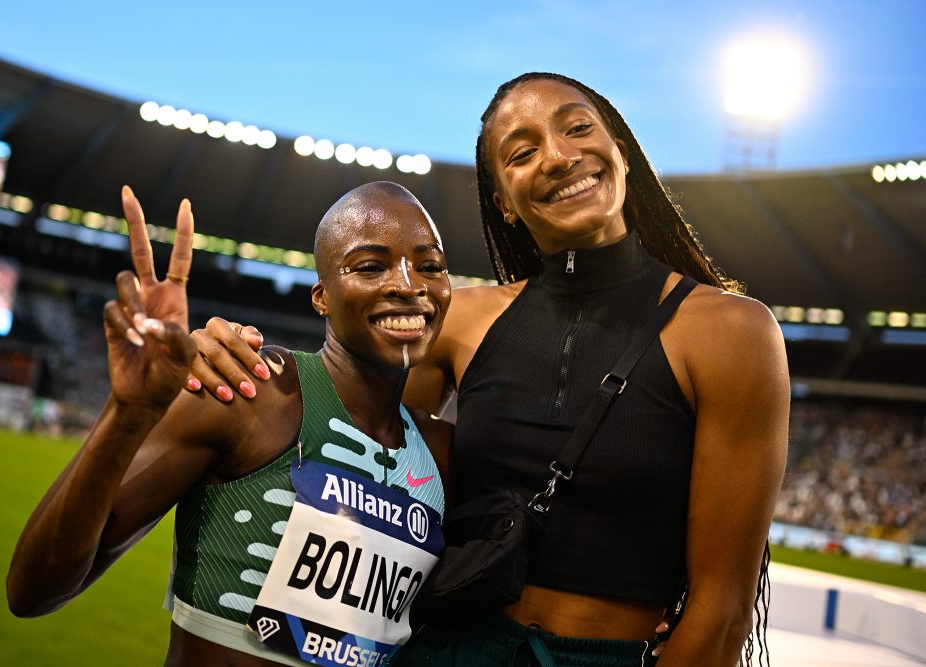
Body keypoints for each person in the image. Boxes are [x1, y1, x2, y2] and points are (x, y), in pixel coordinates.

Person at [186, 72, 790, 667]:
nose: (557, 157)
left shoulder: (731, 333)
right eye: (523, 153)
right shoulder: (457, 321)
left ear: (622, 153)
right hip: (441, 647)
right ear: (503, 201)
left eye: (578, 128)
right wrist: (237, 356)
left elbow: (723, 609)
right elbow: (350, 428)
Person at [7, 181, 454, 666]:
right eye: (370, 266)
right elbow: (33, 591)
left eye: (430, 267)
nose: (409, 286)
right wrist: (127, 415)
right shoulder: (248, 393)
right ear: (321, 296)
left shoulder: (442, 456)